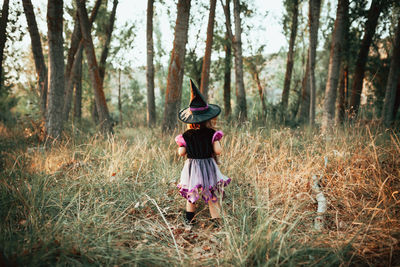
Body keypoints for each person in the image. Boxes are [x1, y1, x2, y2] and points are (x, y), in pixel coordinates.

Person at [175, 79, 231, 226]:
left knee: (191, 194)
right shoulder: (211, 133)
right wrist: (215, 144)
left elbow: (181, 153)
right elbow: (218, 151)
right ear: (208, 118)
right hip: (208, 166)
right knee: (211, 193)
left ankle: (189, 220)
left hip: (192, 168)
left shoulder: (186, 136)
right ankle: (216, 221)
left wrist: (182, 146)